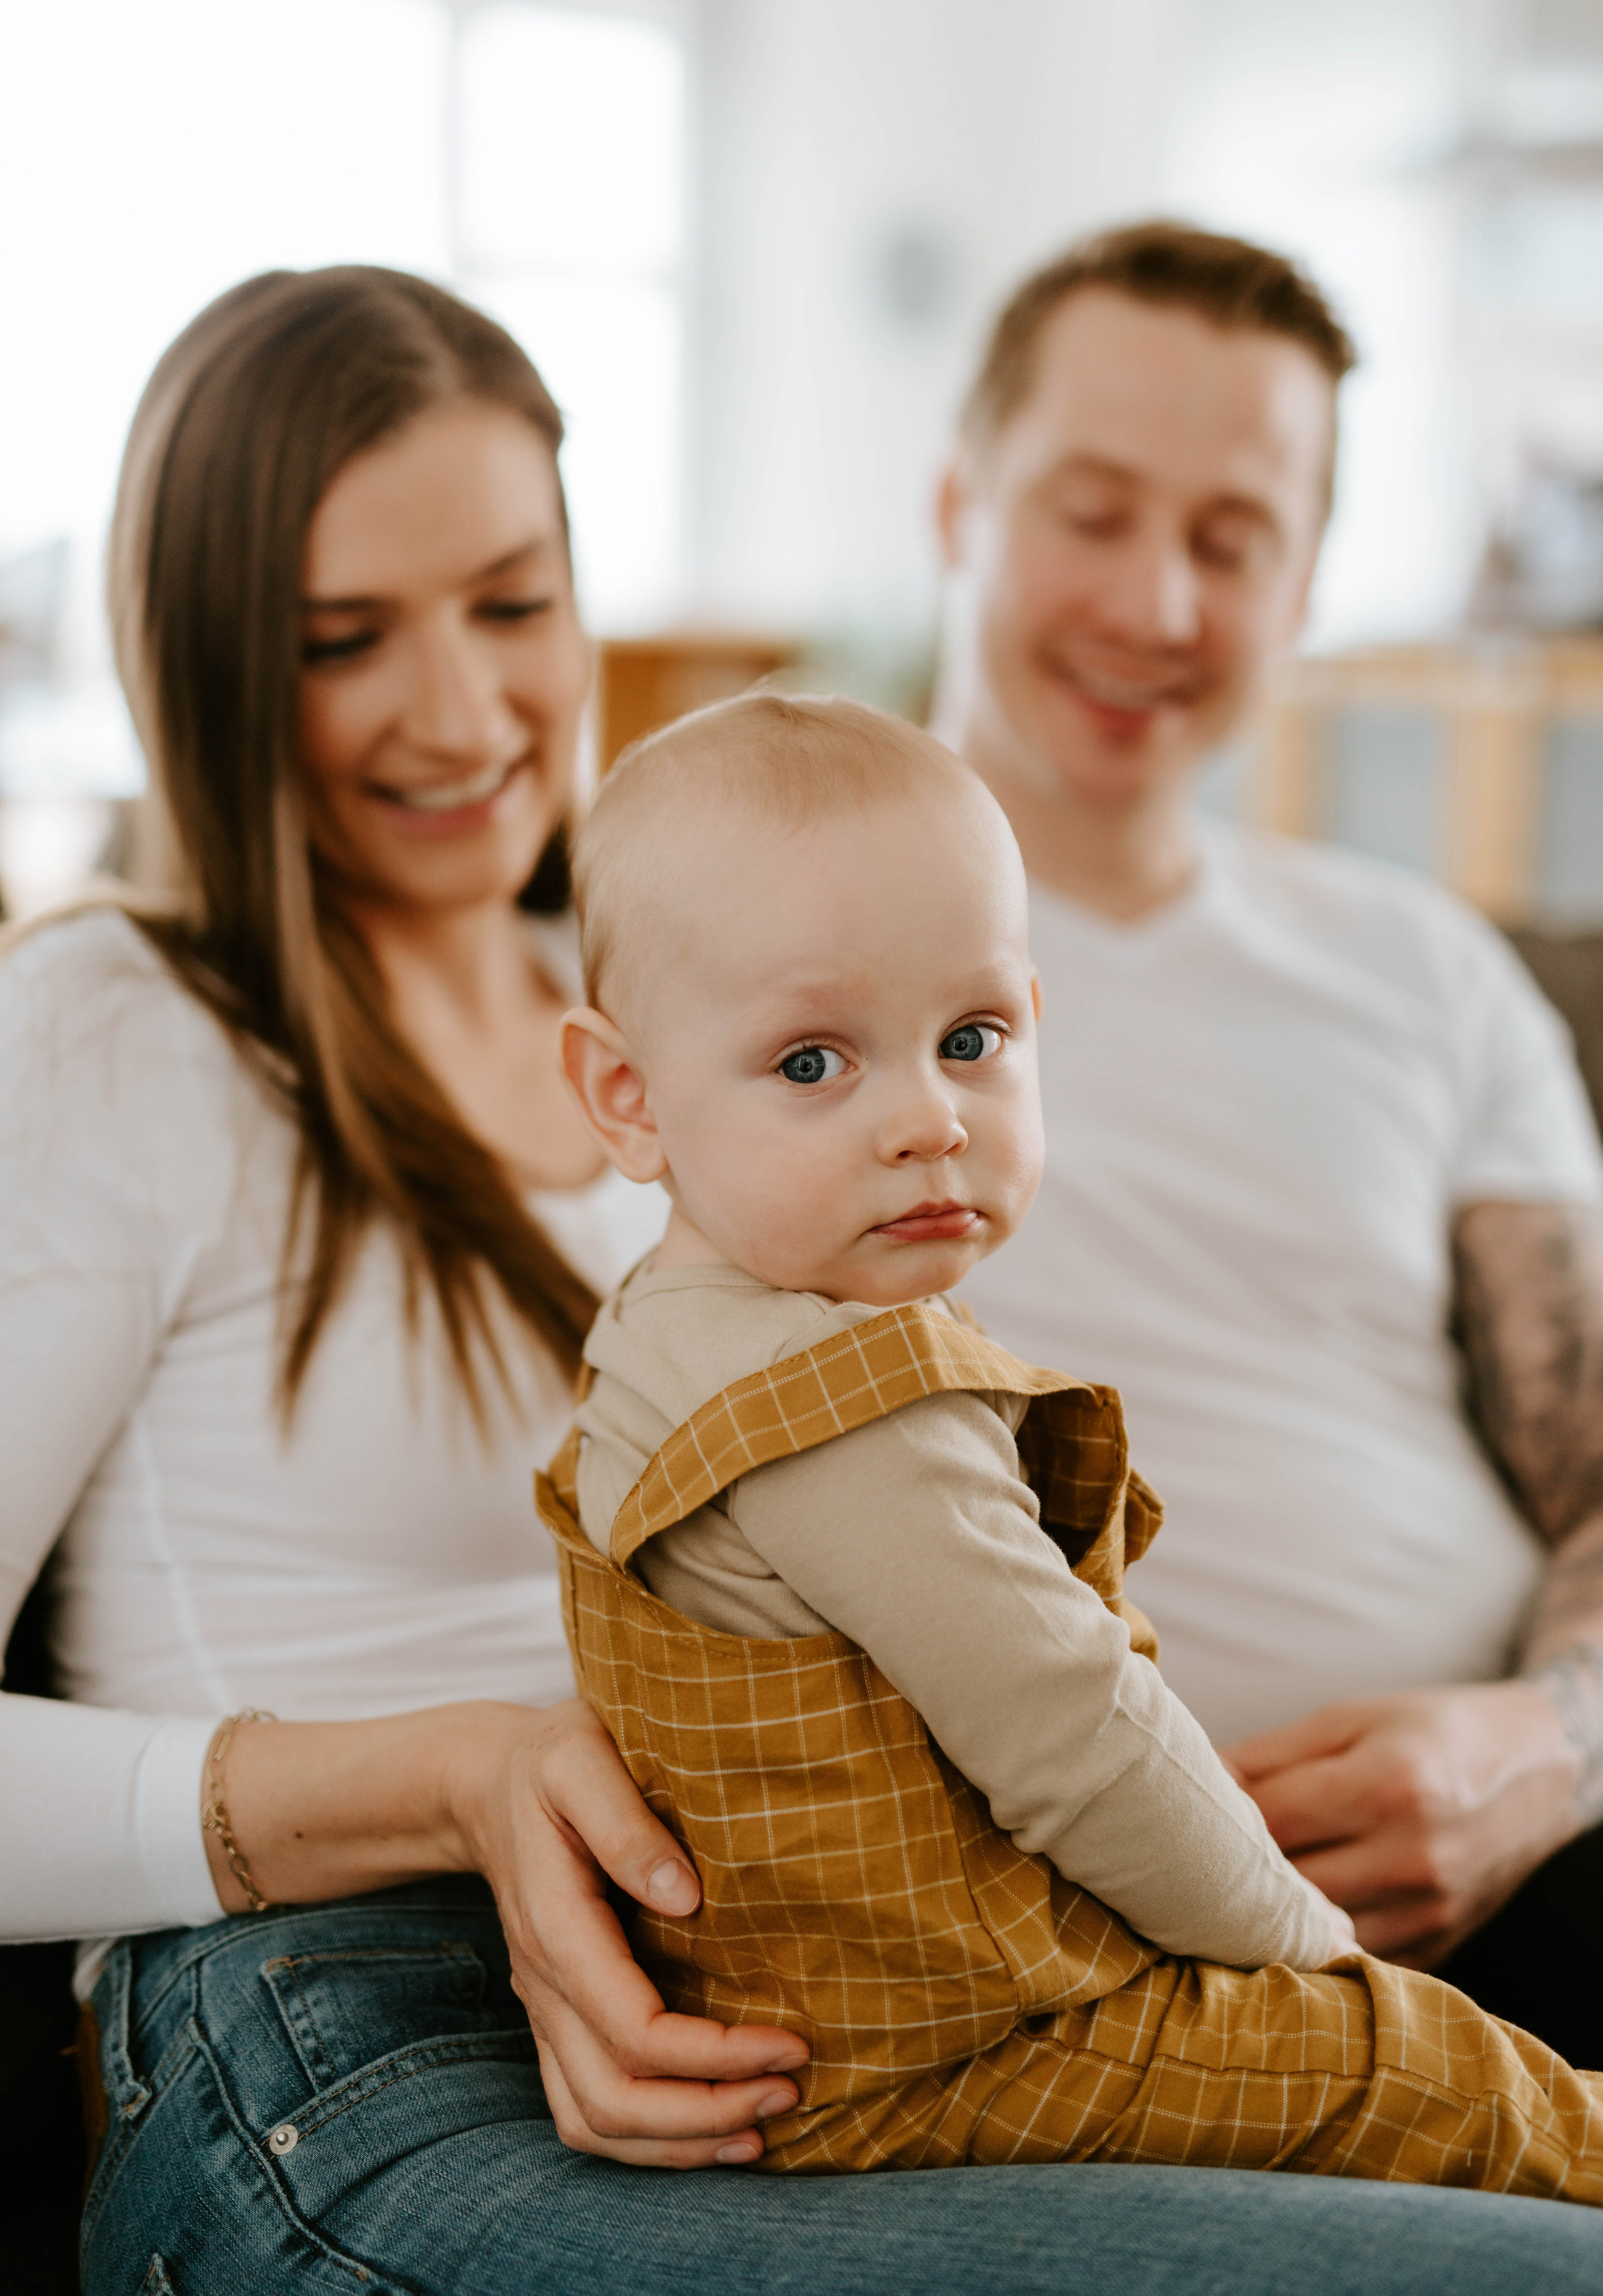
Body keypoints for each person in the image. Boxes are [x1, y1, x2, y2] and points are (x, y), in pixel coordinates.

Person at [18, 264, 1594, 2295]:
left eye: (512, 604)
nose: (462, 711)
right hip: (349, 2036)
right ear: (208, 663)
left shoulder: (704, 1026)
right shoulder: (118, 1018)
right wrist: (463, 1779)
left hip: (790, 2006)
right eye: (344, 638)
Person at [542, 686, 1603, 2199]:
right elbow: (1078, 1736)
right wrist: (1308, 1956)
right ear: (624, 1095)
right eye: (811, 1063)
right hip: (957, 2036)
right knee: (1423, 2073)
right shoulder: (844, 1410)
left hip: (877, 2021)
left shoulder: (663, 1328)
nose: (927, 1119)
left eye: (969, 1038)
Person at [942, 221, 1603, 2062]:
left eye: (1232, 541)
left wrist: (1541, 1751)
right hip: (1040, 1945)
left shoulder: (1428, 972)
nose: (1157, 604)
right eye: (1092, 513)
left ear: (1304, 582)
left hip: (1520, 1872)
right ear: (957, 503)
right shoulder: (738, 953)